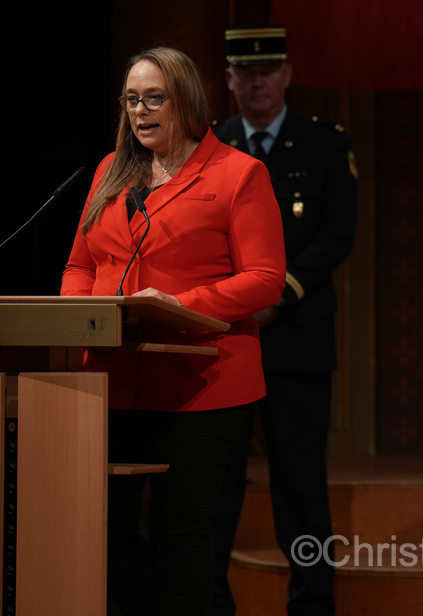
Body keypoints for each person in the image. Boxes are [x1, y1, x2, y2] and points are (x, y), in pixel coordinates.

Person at [62, 46, 286, 616]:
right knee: (101, 531)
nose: (141, 110)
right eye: (132, 99)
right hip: (111, 380)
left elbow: (265, 280)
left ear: (185, 100)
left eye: (154, 97)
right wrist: (80, 315)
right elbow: (80, 267)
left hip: (200, 383)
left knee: (182, 534)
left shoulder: (239, 173)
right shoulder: (109, 174)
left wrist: (179, 304)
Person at [210, 25, 359, 616]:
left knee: (299, 483)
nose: (257, 82)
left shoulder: (324, 144)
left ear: (288, 75)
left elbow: (337, 235)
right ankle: (210, 604)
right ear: (228, 81)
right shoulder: (210, 145)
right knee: (217, 483)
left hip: (295, 336)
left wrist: (280, 293)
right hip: (223, 338)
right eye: (245, 74)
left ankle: (313, 604)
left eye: (267, 71)